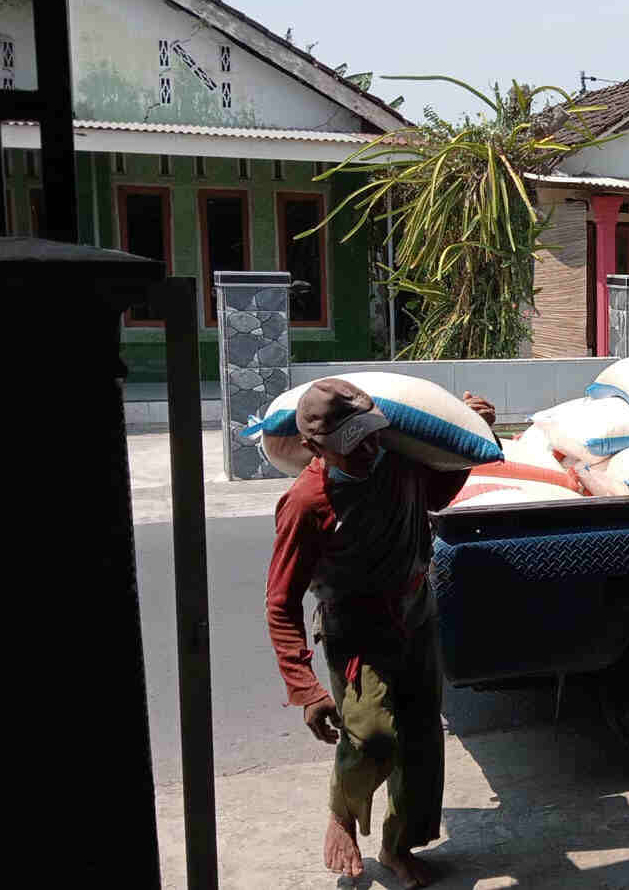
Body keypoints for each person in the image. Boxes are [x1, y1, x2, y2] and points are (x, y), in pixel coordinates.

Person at [264, 377, 496, 886]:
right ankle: (341, 814)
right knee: (370, 735)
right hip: (356, 634)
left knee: (420, 742)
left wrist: (472, 433)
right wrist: (304, 688)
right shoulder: (306, 503)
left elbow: (437, 492)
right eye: (350, 445)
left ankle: (398, 846)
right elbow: (280, 604)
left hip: (417, 614)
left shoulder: (399, 461)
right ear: (312, 448)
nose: (367, 450)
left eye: (370, 435)